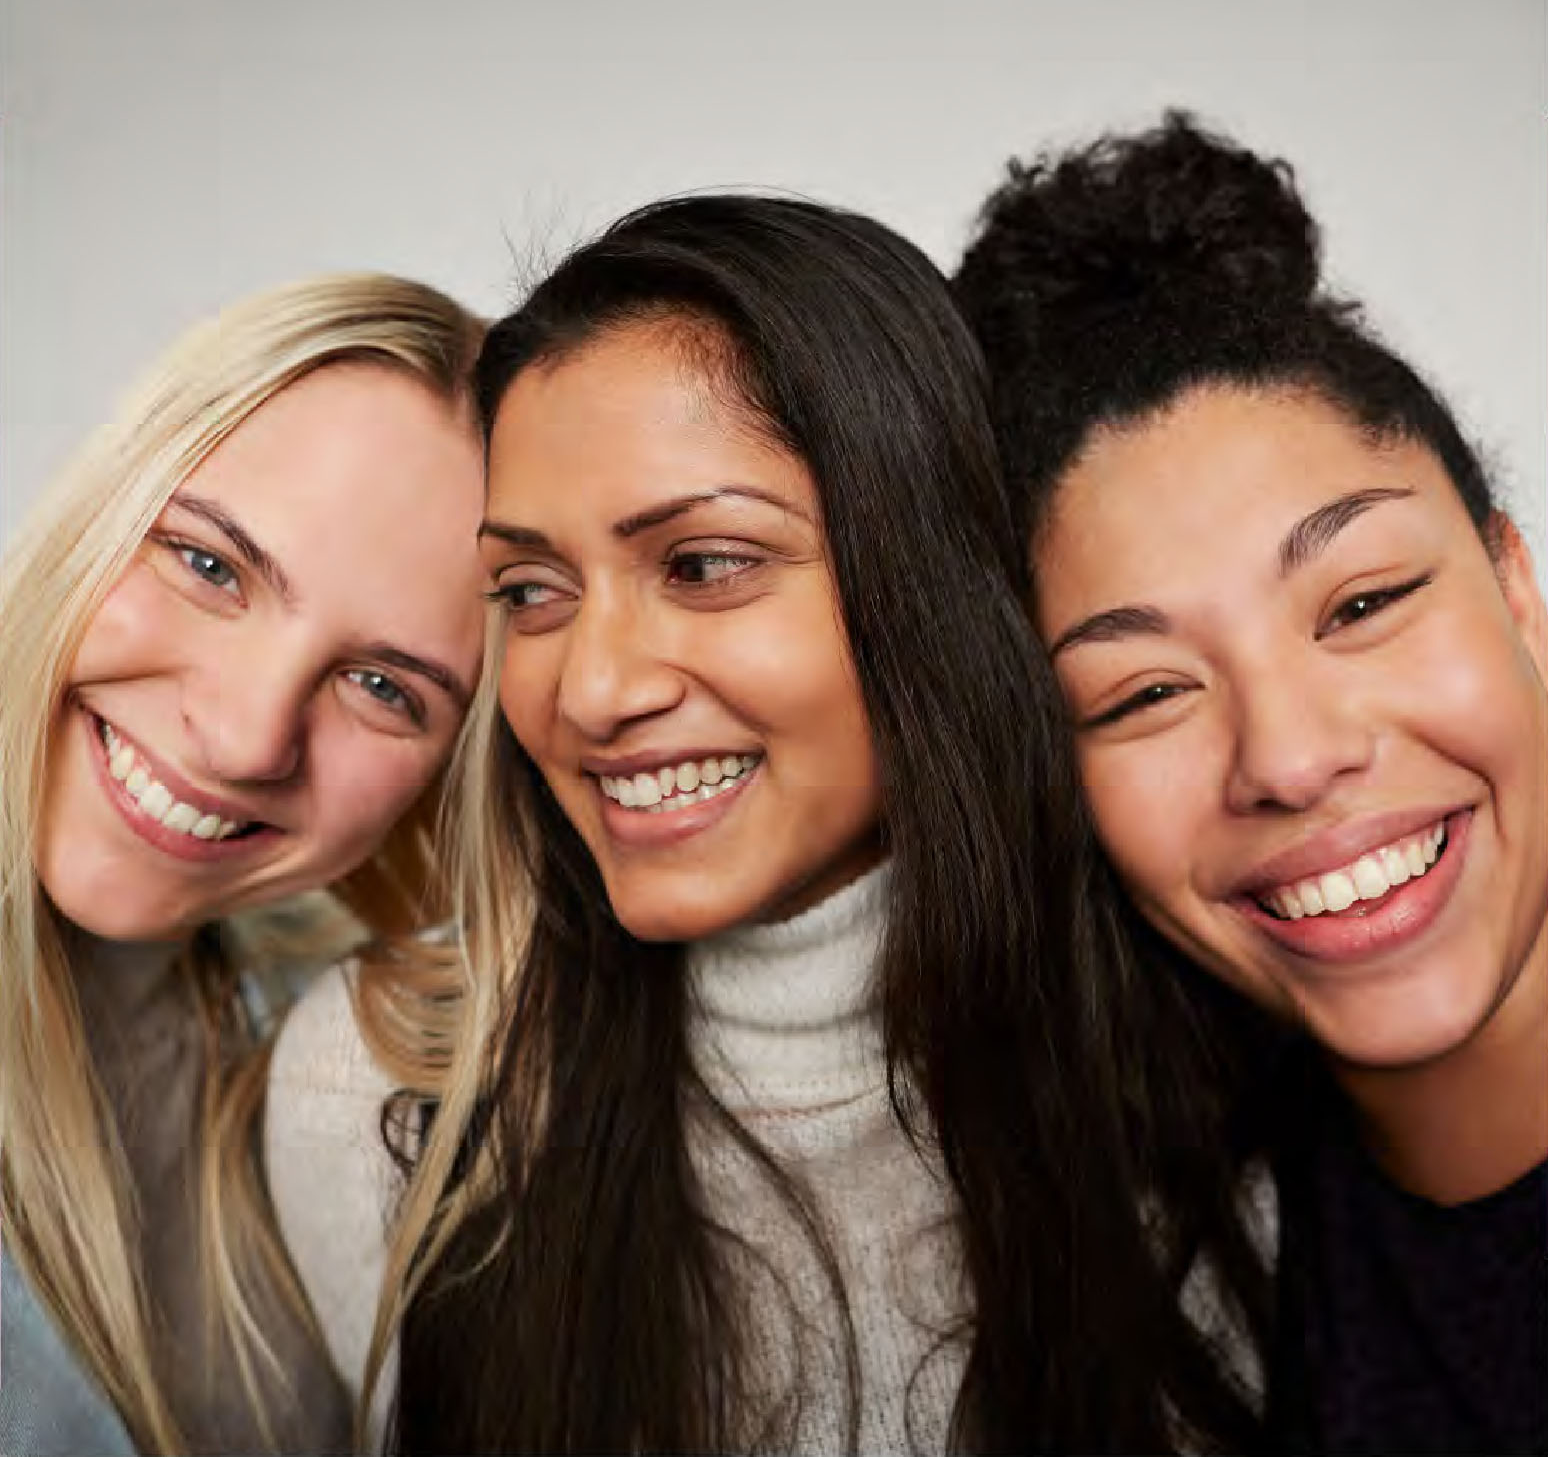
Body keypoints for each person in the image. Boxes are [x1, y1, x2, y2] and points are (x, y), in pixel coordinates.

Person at [269, 192, 1267, 1455]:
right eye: (530, 589)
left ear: (930, 577)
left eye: (702, 566)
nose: (591, 688)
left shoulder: (1228, 1092)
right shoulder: (379, 1096)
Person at [954, 113, 1548, 1455]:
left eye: (1365, 601)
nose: (1286, 756)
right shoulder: (1197, 1238)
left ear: (1516, 587)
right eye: (1145, 693)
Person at [0, 272, 488, 1455]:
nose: (245, 735)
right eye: (210, 565)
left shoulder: (350, 1068)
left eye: (385, 687)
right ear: (102, 504)